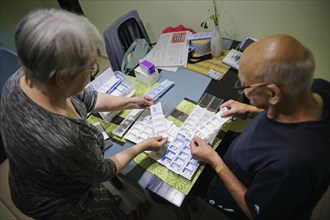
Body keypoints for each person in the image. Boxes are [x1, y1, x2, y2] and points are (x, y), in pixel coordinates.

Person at [0, 9, 167, 219]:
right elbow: (104, 170)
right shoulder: (63, 137)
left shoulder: (23, 77)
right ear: (61, 78)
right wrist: (143, 145)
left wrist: (130, 101)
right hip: (62, 205)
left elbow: (88, 98)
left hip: (37, 179)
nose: (91, 74)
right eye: (90, 69)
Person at [190, 34, 330, 220]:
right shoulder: (319, 89)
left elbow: (256, 212)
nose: (243, 90)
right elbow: (289, 112)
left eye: (244, 85)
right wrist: (251, 109)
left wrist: (214, 161)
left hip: (237, 190)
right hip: (243, 158)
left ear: (273, 93)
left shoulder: (291, 164)